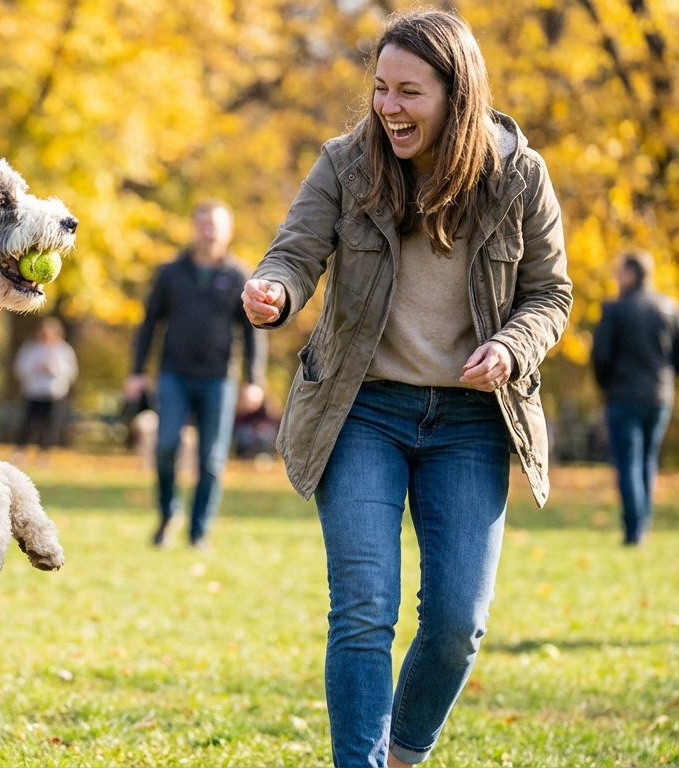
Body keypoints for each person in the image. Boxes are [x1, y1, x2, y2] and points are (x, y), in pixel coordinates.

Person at [241, 11, 570, 767]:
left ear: (458, 95)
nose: (388, 107)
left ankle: (402, 754)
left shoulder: (519, 175)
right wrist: (274, 292)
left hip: (471, 422)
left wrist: (513, 348)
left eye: (409, 92)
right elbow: (293, 254)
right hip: (363, 412)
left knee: (459, 622)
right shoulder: (345, 164)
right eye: (381, 88)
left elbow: (551, 294)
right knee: (363, 609)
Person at [126, 199, 267, 550]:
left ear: (228, 232)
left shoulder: (239, 275)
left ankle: (199, 531)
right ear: (194, 229)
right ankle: (167, 514)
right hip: (173, 373)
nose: (209, 233)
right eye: (203, 225)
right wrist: (136, 371)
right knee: (166, 445)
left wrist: (254, 380)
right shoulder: (170, 273)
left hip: (219, 378)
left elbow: (253, 333)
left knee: (212, 459)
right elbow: (148, 325)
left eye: (215, 226)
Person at [591, 250, 679, 546]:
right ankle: (643, 524)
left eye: (620, 271)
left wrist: (607, 386)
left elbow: (600, 356)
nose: (616, 276)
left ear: (631, 274)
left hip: (624, 396)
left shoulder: (615, 310)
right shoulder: (669, 307)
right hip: (660, 398)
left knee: (629, 462)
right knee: (648, 461)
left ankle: (634, 531)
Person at [11, 317, 79, 467]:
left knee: (50, 427)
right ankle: (20, 453)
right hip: (34, 392)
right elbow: (19, 368)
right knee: (27, 425)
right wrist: (35, 367)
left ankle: (43, 456)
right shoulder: (30, 348)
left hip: (54, 394)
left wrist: (53, 367)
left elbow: (71, 372)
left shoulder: (63, 350)